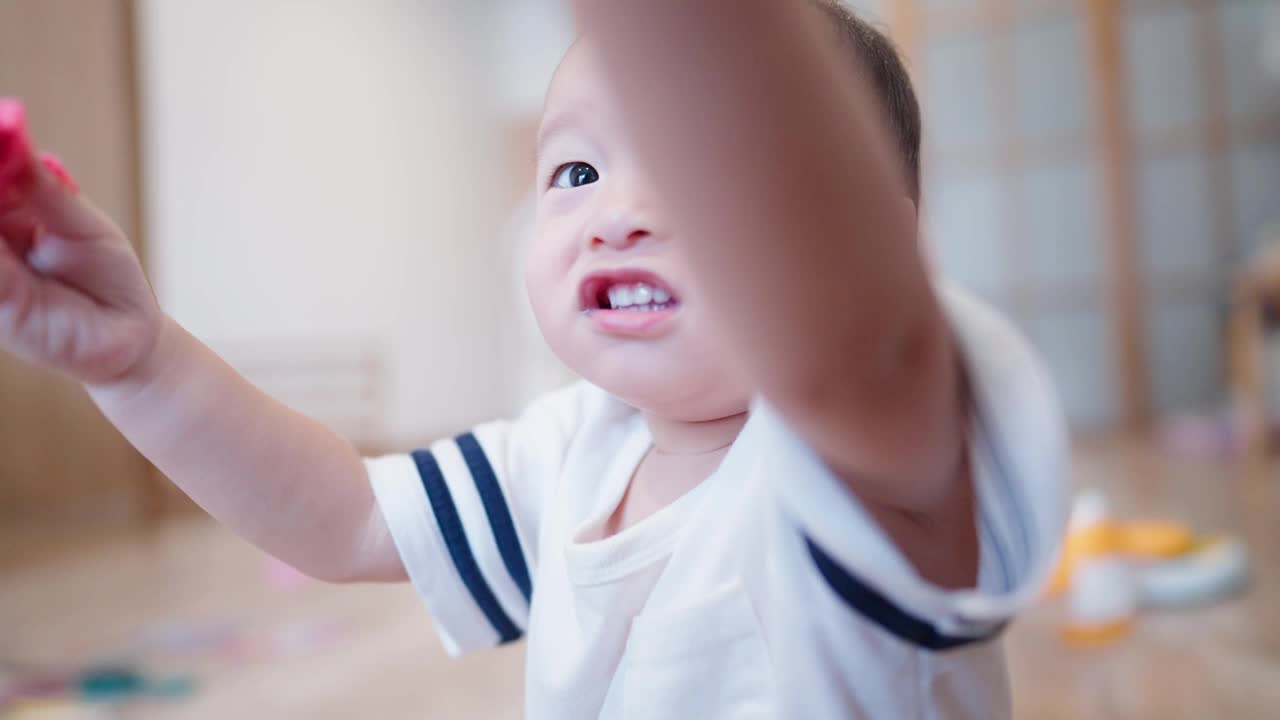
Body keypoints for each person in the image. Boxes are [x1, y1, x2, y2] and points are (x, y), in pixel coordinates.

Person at [0, 2, 1066, 717]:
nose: (614, 216)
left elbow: (849, 344)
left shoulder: (866, 468)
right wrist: (136, 363)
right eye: (576, 169)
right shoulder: (571, 451)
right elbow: (346, 516)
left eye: (695, 167)